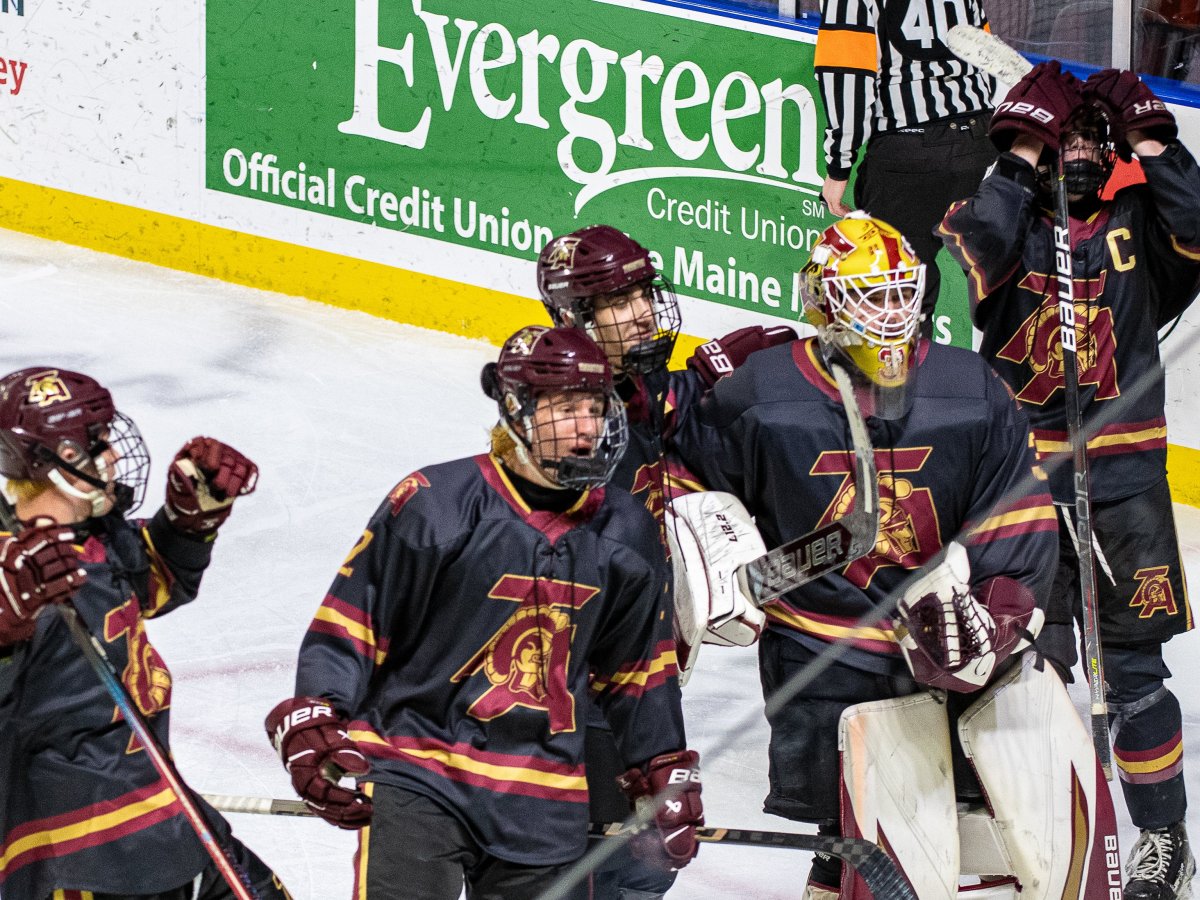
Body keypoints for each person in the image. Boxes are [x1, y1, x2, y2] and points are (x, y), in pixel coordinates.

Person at [672, 213, 1063, 898]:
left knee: (963, 833)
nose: (889, 314)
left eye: (899, 294)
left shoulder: (970, 389)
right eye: (869, 297)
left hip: (948, 646)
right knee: (846, 842)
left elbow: (1016, 512)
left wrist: (1000, 618)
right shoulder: (764, 393)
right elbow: (685, 477)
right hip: (820, 653)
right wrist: (708, 552)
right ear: (824, 303)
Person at [264, 325, 703, 900]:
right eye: (566, 409)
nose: (586, 427)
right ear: (517, 410)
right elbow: (354, 623)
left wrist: (659, 766)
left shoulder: (625, 529)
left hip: (544, 792)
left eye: (596, 409)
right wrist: (318, 713)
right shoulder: (436, 504)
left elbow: (636, 671)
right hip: (419, 769)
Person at [939, 63, 1198, 900]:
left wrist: (1151, 136)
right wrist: (1020, 148)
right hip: (1021, 488)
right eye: (1066, 136)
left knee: (1135, 675)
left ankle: (1163, 837)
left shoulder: (1140, 224)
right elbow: (978, 241)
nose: (1081, 150)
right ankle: (1038, 828)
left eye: (1095, 136)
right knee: (1024, 668)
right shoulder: (1002, 222)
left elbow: (1197, 217)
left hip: (1125, 487)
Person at [536, 225, 792, 899]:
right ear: (575, 317)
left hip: (634, 666)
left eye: (644, 294)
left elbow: (664, 412)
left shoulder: (630, 387)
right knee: (612, 863)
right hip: (581, 680)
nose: (644, 312)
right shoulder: (576, 424)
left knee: (640, 861)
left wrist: (706, 376)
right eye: (620, 302)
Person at [0, 366, 287, 900]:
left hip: (165, 818)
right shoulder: (12, 566)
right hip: (79, 853)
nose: (114, 454)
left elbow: (143, 588)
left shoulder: (93, 537)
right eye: (99, 442)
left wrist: (185, 526)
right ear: (60, 459)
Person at [814, 0, 996, 332]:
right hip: (979, 142)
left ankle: (908, 366)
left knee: (897, 291)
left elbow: (848, 76)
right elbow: (988, 59)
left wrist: (838, 168)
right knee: (998, 286)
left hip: (909, 155)